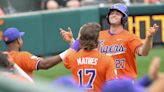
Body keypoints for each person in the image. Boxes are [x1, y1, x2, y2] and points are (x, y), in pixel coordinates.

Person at [60, 3, 159, 79]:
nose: (113, 15)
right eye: (112, 13)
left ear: (124, 18)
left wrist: (149, 38)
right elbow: (83, 53)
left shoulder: (130, 37)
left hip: (124, 83)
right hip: (104, 83)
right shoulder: (99, 35)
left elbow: (144, 52)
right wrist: (72, 41)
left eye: (117, 13)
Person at [60, 23, 117, 92]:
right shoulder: (107, 60)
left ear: (81, 39)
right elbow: (113, 87)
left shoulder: (72, 57)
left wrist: (76, 41)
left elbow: (69, 55)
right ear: (98, 39)